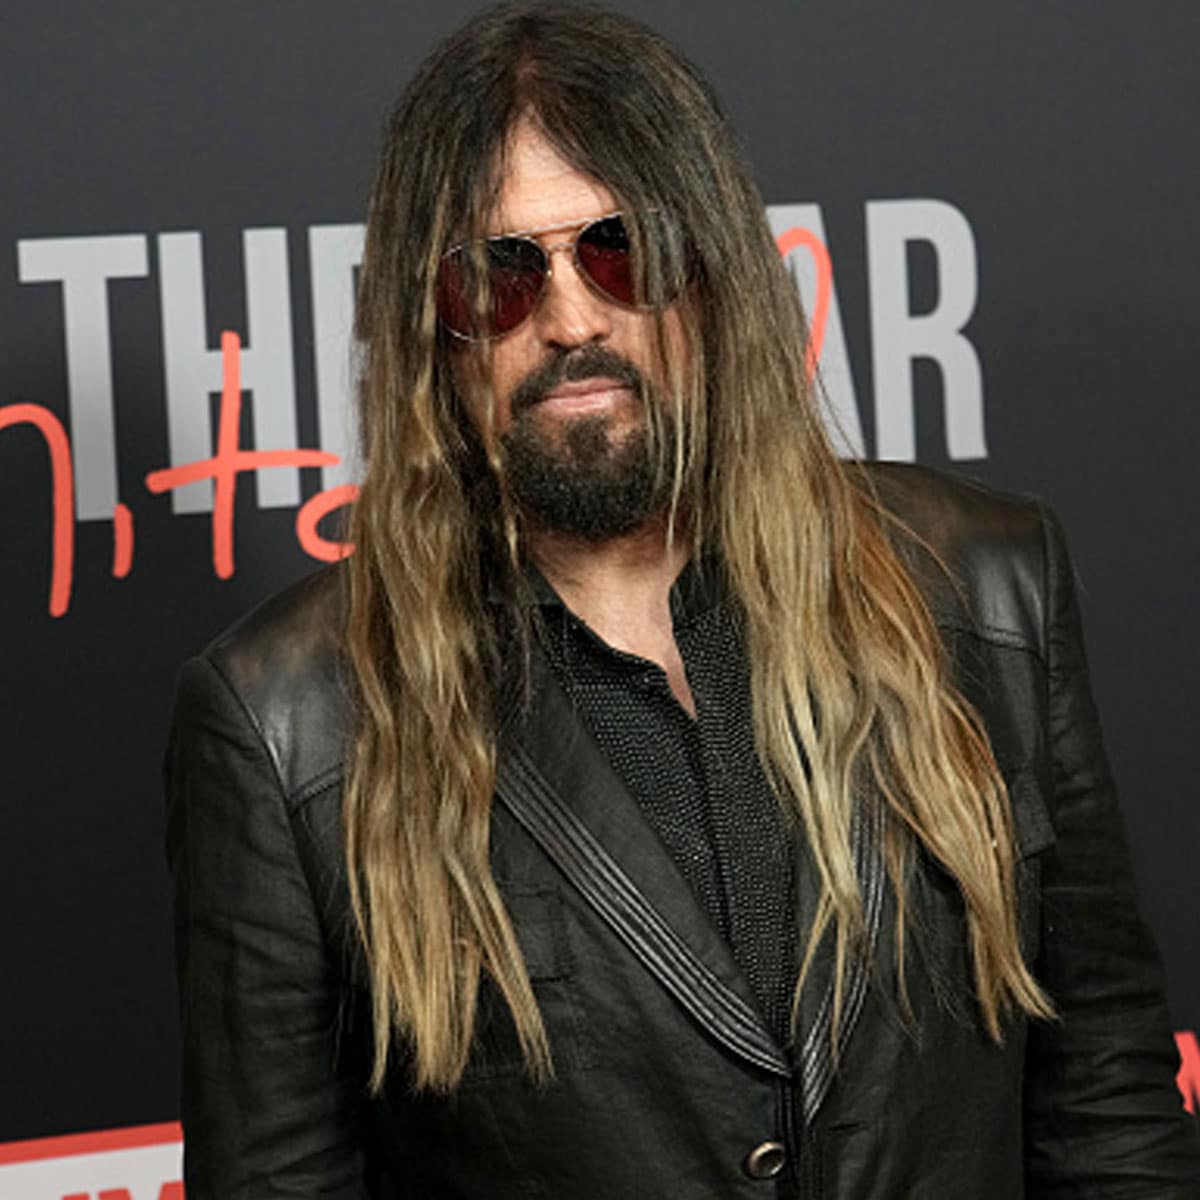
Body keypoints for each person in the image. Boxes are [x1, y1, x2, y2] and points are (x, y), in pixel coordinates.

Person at [165, 5, 1200, 1196]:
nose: (569, 318)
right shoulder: (288, 721)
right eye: (498, 275)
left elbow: (1112, 1117)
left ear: (710, 274)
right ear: (429, 330)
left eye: (621, 250)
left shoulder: (989, 591)